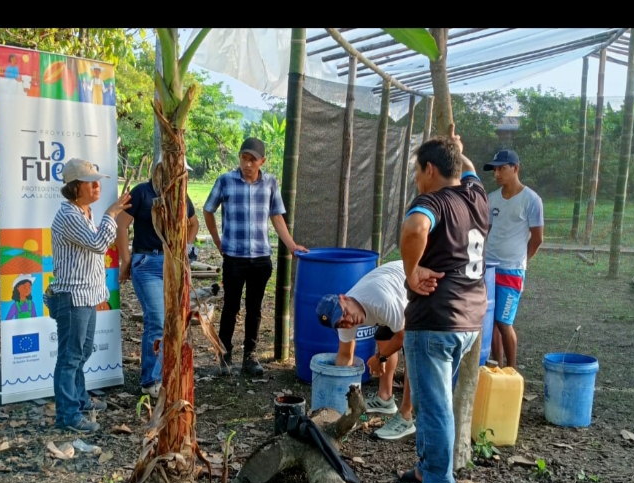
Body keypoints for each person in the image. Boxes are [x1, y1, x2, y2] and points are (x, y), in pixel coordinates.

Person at [393, 125, 490, 483]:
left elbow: (414, 229)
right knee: (438, 402)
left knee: (434, 409)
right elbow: (469, 170)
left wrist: (411, 272)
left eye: (418, 173)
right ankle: (427, 468)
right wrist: (456, 148)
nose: (417, 182)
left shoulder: (433, 202)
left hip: (436, 320)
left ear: (430, 170)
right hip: (468, 321)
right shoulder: (476, 196)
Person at [203, 138, 308, 376]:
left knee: (255, 308)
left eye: (253, 160)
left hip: (261, 258)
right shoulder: (225, 181)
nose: (247, 164)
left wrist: (292, 246)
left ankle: (250, 356)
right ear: (239, 158)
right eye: (244, 158)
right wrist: (218, 240)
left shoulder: (270, 183)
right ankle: (224, 354)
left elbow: (277, 217)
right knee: (230, 306)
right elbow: (208, 210)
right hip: (234, 258)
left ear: (262, 161)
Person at [47, 158, 132, 433]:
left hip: (85, 296)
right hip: (72, 297)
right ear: (75, 187)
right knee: (70, 357)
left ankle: (80, 400)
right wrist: (111, 213)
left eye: (97, 181)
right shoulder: (69, 215)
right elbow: (98, 244)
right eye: (91, 182)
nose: (97, 186)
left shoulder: (84, 212)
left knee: (81, 353)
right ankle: (68, 415)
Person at [116, 168, 200, 398]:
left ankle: (168, 373)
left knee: (175, 320)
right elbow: (121, 224)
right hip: (147, 262)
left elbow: (194, 224)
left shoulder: (181, 195)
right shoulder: (142, 192)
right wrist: (126, 260)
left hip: (174, 264)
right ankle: (150, 380)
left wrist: (186, 247)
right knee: (157, 319)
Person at [315, 260, 416, 441]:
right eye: (341, 323)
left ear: (344, 298)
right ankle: (385, 398)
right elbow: (345, 356)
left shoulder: (380, 300)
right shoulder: (345, 320)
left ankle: (406, 417)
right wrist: (340, 401)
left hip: (416, 283)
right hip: (394, 297)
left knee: (413, 349)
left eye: (344, 314)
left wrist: (380, 357)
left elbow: (403, 337)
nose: (348, 321)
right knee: (383, 337)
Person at [482, 149, 543, 370]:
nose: (496, 174)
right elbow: (486, 231)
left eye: (501, 168)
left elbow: (537, 238)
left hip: (512, 271)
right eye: (494, 169)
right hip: (490, 268)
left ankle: (512, 371)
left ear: (515, 168)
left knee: (504, 321)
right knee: (491, 322)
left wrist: (522, 261)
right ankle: (498, 369)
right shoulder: (491, 199)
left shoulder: (532, 200)